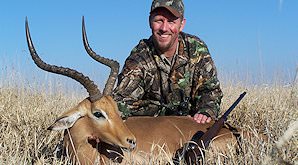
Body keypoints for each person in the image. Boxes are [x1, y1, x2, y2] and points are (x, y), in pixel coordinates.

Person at [113, 0, 223, 124]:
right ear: (150, 22)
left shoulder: (196, 49)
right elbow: (121, 102)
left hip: (190, 126)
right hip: (153, 130)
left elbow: (210, 90)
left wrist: (206, 111)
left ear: (181, 24)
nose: (164, 28)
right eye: (159, 20)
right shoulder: (139, 58)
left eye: (171, 21)